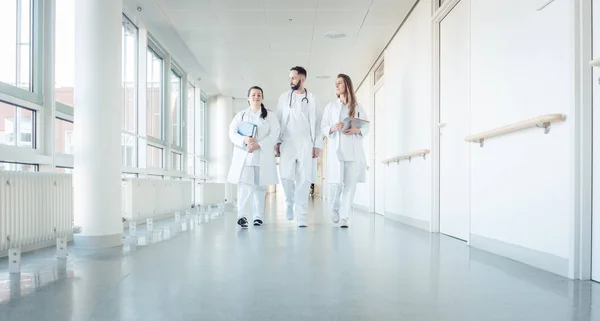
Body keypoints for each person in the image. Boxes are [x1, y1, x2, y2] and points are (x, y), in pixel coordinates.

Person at [275, 66, 323, 227]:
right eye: (290, 78)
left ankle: (301, 215)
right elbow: (278, 120)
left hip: (305, 142)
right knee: (285, 176)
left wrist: (317, 145)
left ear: (302, 79)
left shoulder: (313, 98)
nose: (291, 81)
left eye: (293, 78)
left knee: (304, 178)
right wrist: (277, 141)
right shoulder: (283, 97)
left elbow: (318, 124)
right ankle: (289, 201)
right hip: (287, 141)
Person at [227, 86, 280, 228]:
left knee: (260, 187)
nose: (256, 97)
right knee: (245, 185)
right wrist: (244, 140)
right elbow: (232, 132)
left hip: (262, 155)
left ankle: (258, 217)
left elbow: (275, 133)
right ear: (248, 98)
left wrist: (259, 144)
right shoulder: (241, 116)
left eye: (259, 95)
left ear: (262, 97)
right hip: (246, 157)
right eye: (253, 95)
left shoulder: (270, 115)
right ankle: (242, 215)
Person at [320, 74, 369, 228]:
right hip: (337, 151)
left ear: (347, 85)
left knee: (350, 185)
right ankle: (335, 206)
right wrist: (332, 128)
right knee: (336, 185)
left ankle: (344, 217)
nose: (336, 85)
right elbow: (323, 127)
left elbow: (367, 126)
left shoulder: (358, 107)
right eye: (336, 83)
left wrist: (356, 130)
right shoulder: (331, 107)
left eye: (339, 83)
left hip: (353, 152)